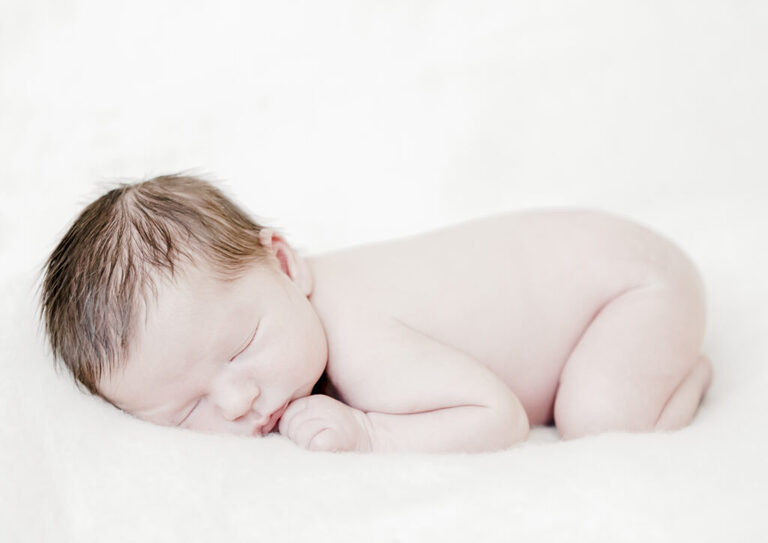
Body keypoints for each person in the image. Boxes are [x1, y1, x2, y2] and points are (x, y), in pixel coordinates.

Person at [39, 174, 713, 453]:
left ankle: (686, 371)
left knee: (598, 421)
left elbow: (498, 416)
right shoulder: (282, 311)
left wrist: (368, 434)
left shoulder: (362, 341)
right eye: (187, 409)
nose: (238, 398)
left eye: (243, 347)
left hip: (633, 291)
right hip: (597, 256)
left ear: (284, 264)